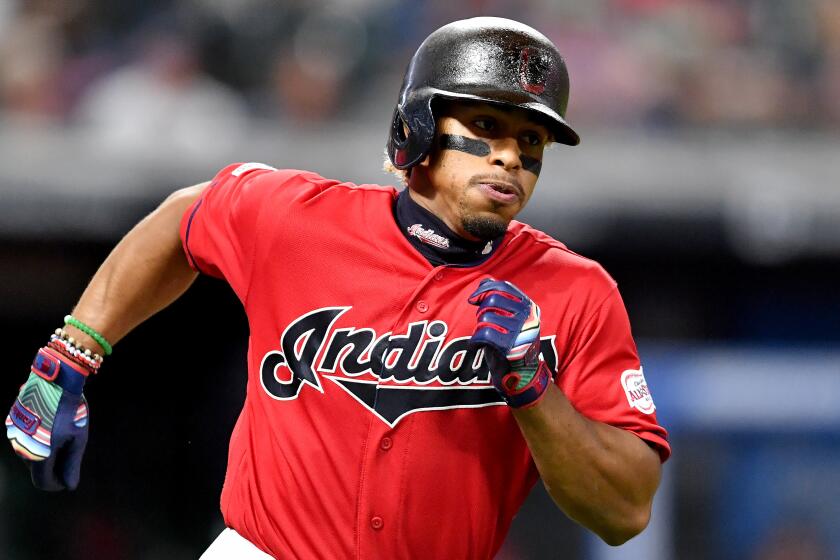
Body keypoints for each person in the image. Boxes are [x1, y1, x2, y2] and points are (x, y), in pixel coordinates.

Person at [6, 16, 670, 559]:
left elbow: (626, 511)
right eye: (486, 126)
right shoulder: (300, 220)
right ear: (417, 128)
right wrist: (67, 357)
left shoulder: (575, 293)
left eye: (531, 139)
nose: (509, 157)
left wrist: (534, 390)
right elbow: (182, 219)